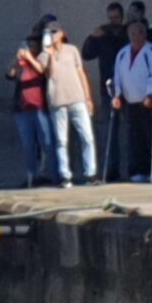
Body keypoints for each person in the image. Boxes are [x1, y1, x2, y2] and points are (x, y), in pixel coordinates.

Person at [40, 19, 97, 187]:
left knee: (87, 136)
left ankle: (90, 173)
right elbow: (46, 72)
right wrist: (49, 54)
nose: (52, 34)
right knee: (61, 141)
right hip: (57, 102)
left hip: (77, 99)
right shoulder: (44, 54)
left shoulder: (72, 50)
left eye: (55, 31)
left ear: (62, 34)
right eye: (49, 32)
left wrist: (88, 98)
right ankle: (65, 175)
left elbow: (81, 73)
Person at [111, 19, 152, 183]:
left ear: (145, 33)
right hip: (130, 102)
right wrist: (117, 95)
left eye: (140, 32)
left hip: (148, 102)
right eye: (132, 33)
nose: (136, 36)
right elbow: (117, 77)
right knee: (134, 138)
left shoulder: (150, 51)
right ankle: (137, 171)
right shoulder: (122, 53)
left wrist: (151, 95)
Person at [82, 3, 129, 182]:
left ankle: (133, 168)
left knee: (131, 131)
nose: (113, 22)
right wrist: (92, 37)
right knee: (110, 132)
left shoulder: (127, 33)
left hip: (128, 89)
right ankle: (111, 170)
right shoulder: (103, 35)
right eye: (111, 18)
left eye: (116, 18)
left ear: (122, 17)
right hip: (108, 90)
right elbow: (87, 54)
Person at [7, 30, 52, 187]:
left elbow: (41, 71)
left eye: (33, 46)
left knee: (46, 142)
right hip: (23, 109)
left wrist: (30, 57)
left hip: (40, 107)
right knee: (28, 144)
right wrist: (16, 59)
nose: (30, 49)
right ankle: (31, 175)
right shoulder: (23, 63)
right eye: (28, 46)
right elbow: (10, 74)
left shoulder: (41, 59)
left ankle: (50, 173)